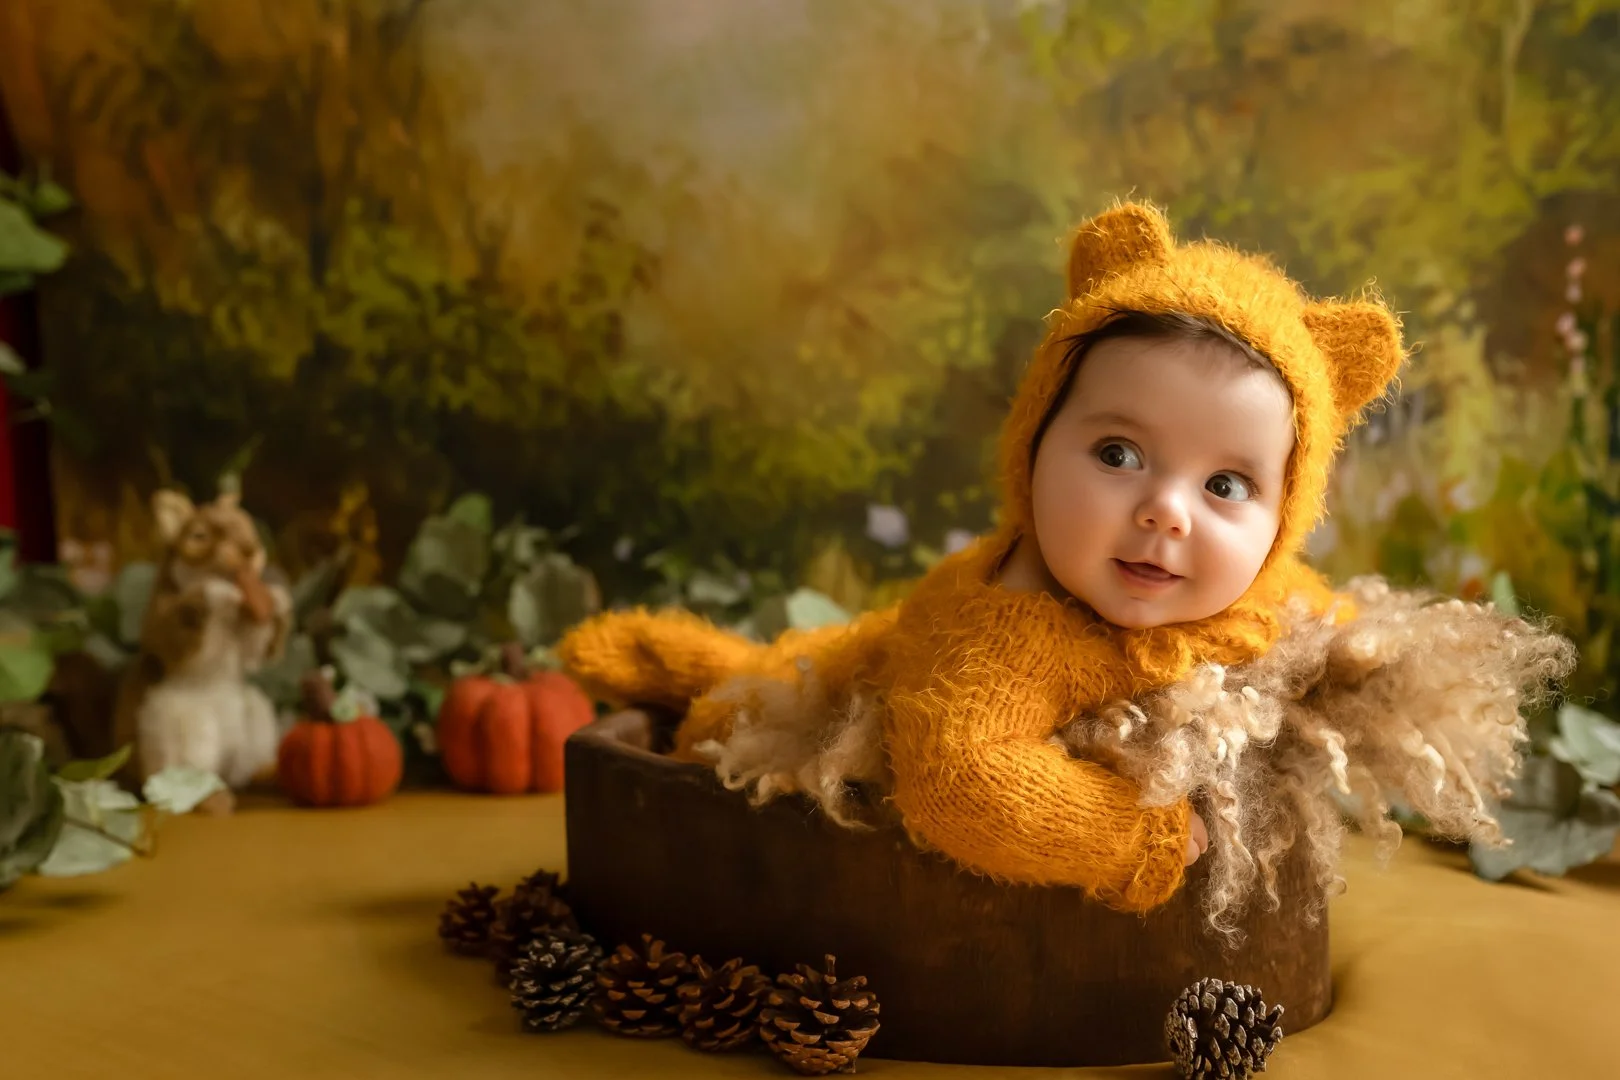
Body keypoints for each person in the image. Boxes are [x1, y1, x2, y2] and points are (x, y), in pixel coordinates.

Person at [558, 201, 1571, 919]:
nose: (1165, 513)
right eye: (1118, 454)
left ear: (1283, 517)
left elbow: (1314, 620)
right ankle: (689, 667)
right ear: (1032, 448)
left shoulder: (1254, 595)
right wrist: (1130, 837)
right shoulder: (1008, 625)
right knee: (777, 689)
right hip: (882, 680)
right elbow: (961, 784)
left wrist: (1368, 668)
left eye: (1226, 486)